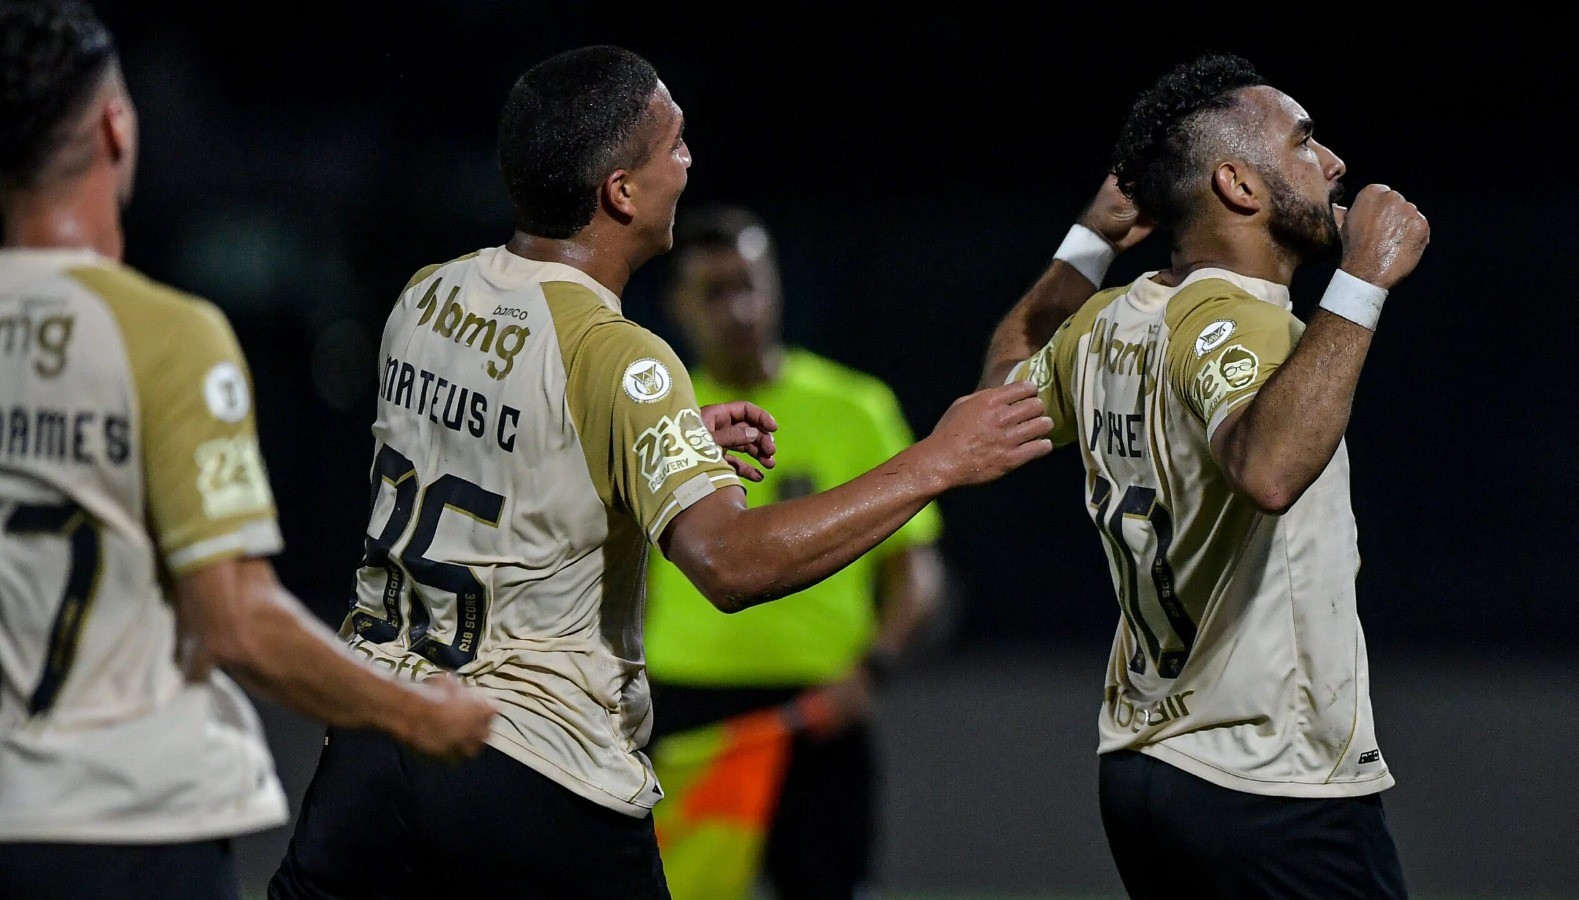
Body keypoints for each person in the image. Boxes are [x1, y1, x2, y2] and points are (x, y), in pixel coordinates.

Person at [267, 44, 1052, 900]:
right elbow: (727, 562)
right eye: (673, 144)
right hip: (535, 763)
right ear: (620, 193)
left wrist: (656, 441)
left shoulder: (427, 296)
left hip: (375, 745)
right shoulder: (623, 357)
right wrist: (936, 461)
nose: (689, 160)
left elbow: (495, 450)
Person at [0, 3, 500, 899]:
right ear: (116, 127)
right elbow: (234, 619)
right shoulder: (164, 337)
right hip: (128, 830)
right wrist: (421, 713)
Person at [980, 52, 1429, 898]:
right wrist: (1363, 282)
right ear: (1239, 185)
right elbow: (1268, 469)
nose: (1333, 162)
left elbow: (994, 398)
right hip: (1268, 776)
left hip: (1145, 769)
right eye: (1304, 142)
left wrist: (1088, 241)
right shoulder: (1236, 318)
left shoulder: (1111, 317)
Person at [642, 204, 949, 900]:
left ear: (777, 285)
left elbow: (917, 572)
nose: (740, 308)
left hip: (821, 714)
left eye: (751, 283)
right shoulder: (659, 416)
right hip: (691, 712)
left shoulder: (857, 407)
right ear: (679, 306)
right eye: (715, 292)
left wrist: (870, 672)